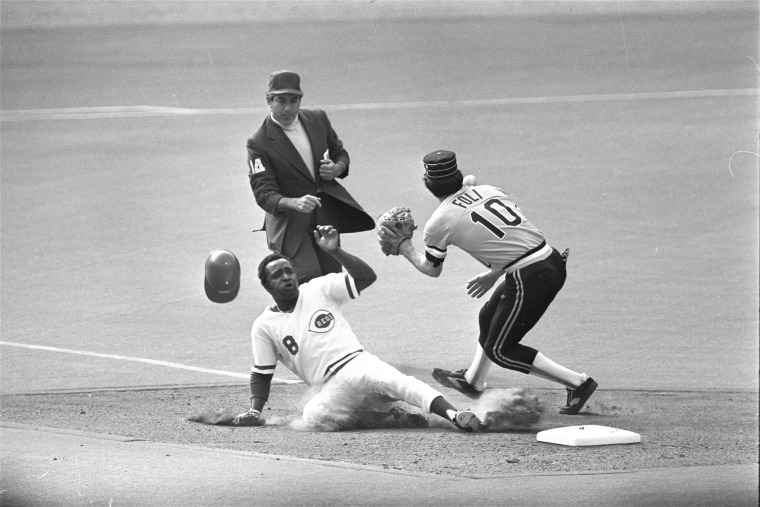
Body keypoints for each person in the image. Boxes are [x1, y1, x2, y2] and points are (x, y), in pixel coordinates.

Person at [377, 150, 597, 415]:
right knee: (488, 315)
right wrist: (493, 274)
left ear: (428, 183)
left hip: (531, 276)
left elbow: (432, 269)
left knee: (501, 350)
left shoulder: (439, 223)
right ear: (458, 176)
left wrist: (404, 247)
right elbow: (512, 238)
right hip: (548, 260)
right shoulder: (489, 190)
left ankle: (578, 383)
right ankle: (473, 381)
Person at [235, 224, 483, 432]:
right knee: (313, 416)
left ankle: (455, 415)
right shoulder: (263, 326)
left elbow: (366, 278)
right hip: (331, 389)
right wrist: (255, 410)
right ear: (267, 286)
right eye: (278, 275)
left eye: (288, 270)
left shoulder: (319, 289)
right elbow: (261, 373)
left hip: (358, 363)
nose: (286, 276)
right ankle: (387, 417)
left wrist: (336, 251)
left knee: (402, 383)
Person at [247, 70, 375, 283]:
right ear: (268, 100)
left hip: (325, 217)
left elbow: (340, 154)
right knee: (308, 280)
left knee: (332, 280)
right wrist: (294, 203)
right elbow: (264, 194)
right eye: (280, 100)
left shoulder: (318, 120)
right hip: (290, 225)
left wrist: (337, 168)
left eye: (293, 100)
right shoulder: (258, 143)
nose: (288, 107)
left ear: (300, 100)